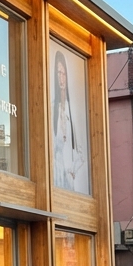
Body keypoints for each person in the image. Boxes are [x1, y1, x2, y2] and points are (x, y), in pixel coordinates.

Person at [51, 49, 88, 191]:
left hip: (68, 180)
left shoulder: (71, 110)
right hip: (55, 178)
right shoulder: (52, 108)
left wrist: (72, 170)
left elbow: (81, 152)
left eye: (63, 74)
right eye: (58, 73)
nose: (61, 78)